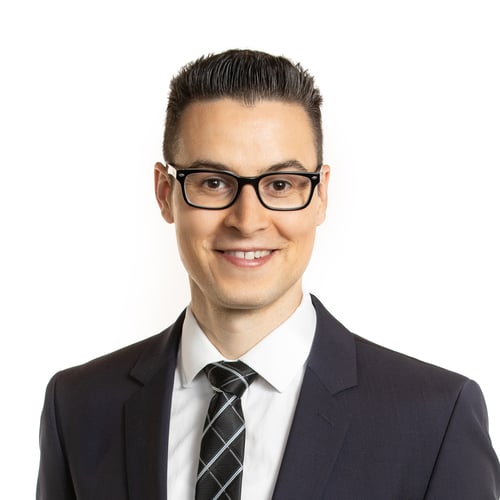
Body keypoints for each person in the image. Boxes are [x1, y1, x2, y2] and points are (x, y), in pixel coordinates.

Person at [37, 49, 500, 500]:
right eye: (213, 182)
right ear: (164, 193)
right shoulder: (77, 406)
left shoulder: (435, 419)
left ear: (320, 196)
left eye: (280, 185)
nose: (248, 220)